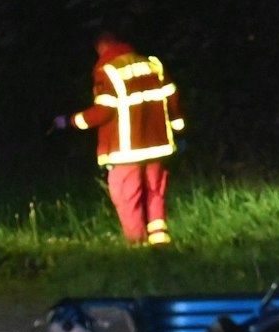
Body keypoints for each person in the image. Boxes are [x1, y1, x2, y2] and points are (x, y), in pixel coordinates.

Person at [57, 32, 184, 246]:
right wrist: (178, 127)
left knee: (127, 196)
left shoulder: (108, 70)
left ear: (101, 46)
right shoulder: (152, 64)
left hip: (126, 149)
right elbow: (172, 97)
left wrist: (72, 121)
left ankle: (136, 246)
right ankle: (160, 241)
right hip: (158, 145)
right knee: (155, 192)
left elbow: (103, 112)